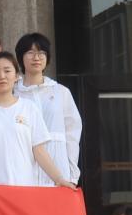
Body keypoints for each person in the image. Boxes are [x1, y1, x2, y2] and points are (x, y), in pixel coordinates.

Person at [0, 52, 77, 190]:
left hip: (24, 187)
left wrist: (59, 179)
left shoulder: (29, 108)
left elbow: (39, 151)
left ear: (16, 76)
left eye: (7, 71)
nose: (2, 76)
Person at [14, 32, 83, 186]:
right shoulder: (13, 93)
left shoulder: (61, 92)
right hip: (23, 164)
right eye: (30, 52)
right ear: (20, 57)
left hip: (58, 164)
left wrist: (72, 173)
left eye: (41, 53)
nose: (36, 57)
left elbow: (72, 134)